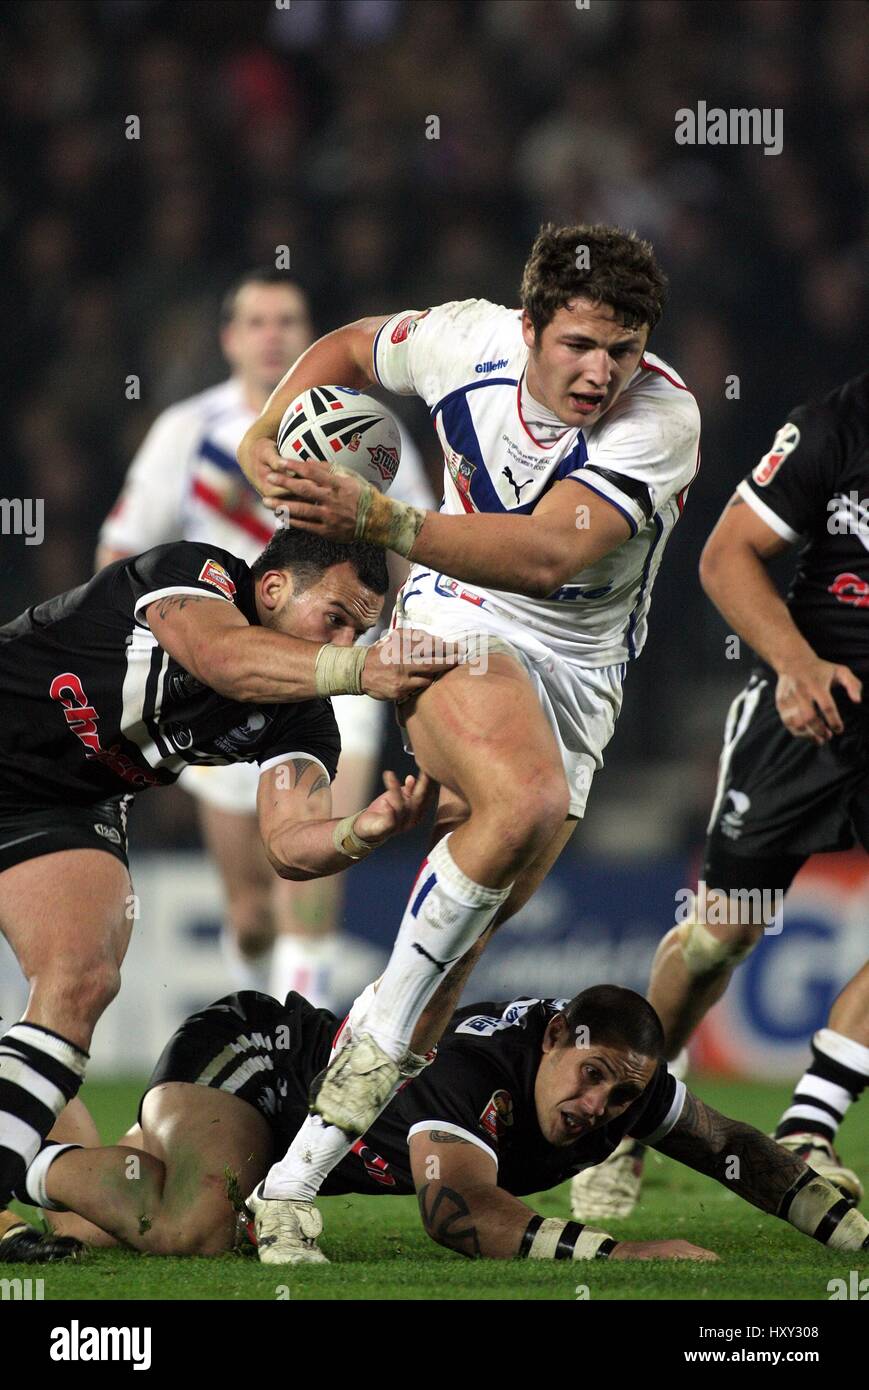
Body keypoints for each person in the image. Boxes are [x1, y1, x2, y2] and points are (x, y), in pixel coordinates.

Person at [233, 221, 702, 1260]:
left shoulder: (664, 419)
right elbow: (354, 346)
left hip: (581, 678)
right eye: (576, 344)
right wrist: (272, 421)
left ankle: (296, 1169)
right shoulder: (463, 340)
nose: (599, 372)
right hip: (459, 615)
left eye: (620, 351)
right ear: (528, 325)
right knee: (520, 804)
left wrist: (381, 516)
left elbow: (544, 554)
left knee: (456, 958)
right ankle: (291, 1183)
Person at [0, 527, 451, 1211]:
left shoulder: (303, 721)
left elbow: (289, 846)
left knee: (83, 979)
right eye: (333, 619)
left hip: (63, 806)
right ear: (272, 588)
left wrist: (364, 829)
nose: (343, 646)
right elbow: (219, 657)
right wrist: (362, 671)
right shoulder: (191, 571)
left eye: (358, 636)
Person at [572, 371, 869, 1222]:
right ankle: (627, 1118)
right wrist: (794, 661)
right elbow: (725, 553)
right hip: (803, 710)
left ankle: (808, 1131)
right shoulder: (832, 427)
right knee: (717, 936)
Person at [96, 267, 435, 1007]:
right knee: (251, 912)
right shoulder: (186, 432)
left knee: (307, 871)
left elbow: (423, 548)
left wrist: (408, 633)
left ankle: (293, 1048)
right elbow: (120, 552)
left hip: (340, 663)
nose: (274, 335)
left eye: (288, 321)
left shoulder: (368, 430)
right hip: (223, 675)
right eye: (257, 321)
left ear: (308, 336)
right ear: (229, 338)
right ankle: (256, 1002)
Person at [19, 984, 869, 1268]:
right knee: (194, 1229)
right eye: (591, 1080)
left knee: (88, 1233)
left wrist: (850, 1240)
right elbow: (456, 1214)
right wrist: (626, 1254)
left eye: (620, 1099)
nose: (596, 1109)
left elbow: (736, 1150)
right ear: (552, 1039)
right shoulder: (473, 1075)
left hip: (276, 1137)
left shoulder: (624, 1082)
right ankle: (13, 1154)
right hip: (259, 1063)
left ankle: (36, 1132)